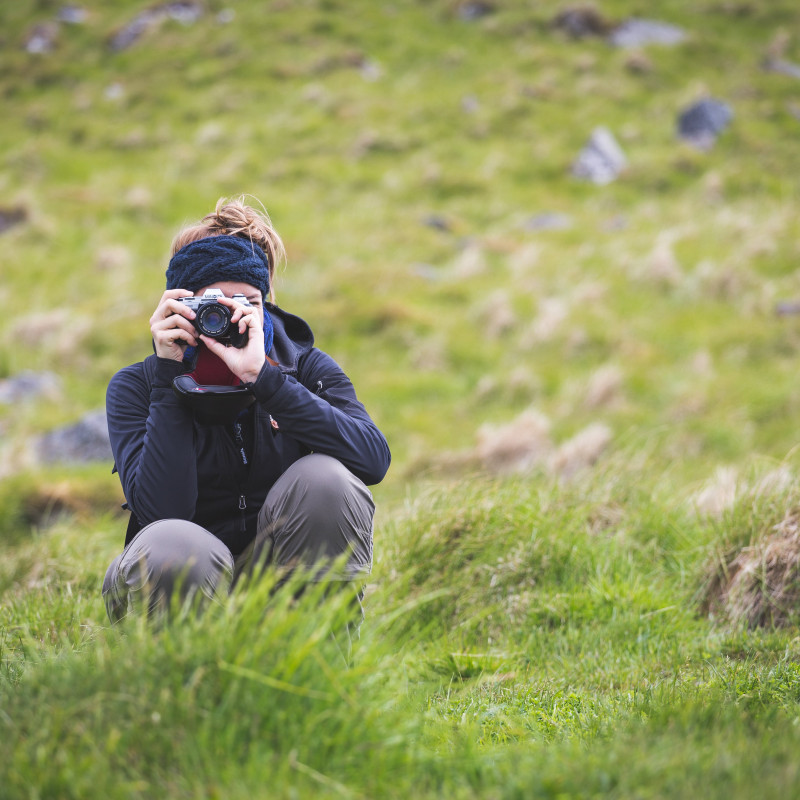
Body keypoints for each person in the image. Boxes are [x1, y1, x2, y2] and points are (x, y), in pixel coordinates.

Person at [102, 197, 391, 621]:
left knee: (327, 481)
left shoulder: (303, 367)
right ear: (181, 307)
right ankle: (175, 682)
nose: (235, 318)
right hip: (183, 578)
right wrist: (171, 380)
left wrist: (267, 380)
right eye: (216, 304)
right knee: (172, 544)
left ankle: (322, 676)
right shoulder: (138, 386)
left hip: (276, 579)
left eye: (249, 303)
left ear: (268, 305)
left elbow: (373, 459)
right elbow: (163, 516)